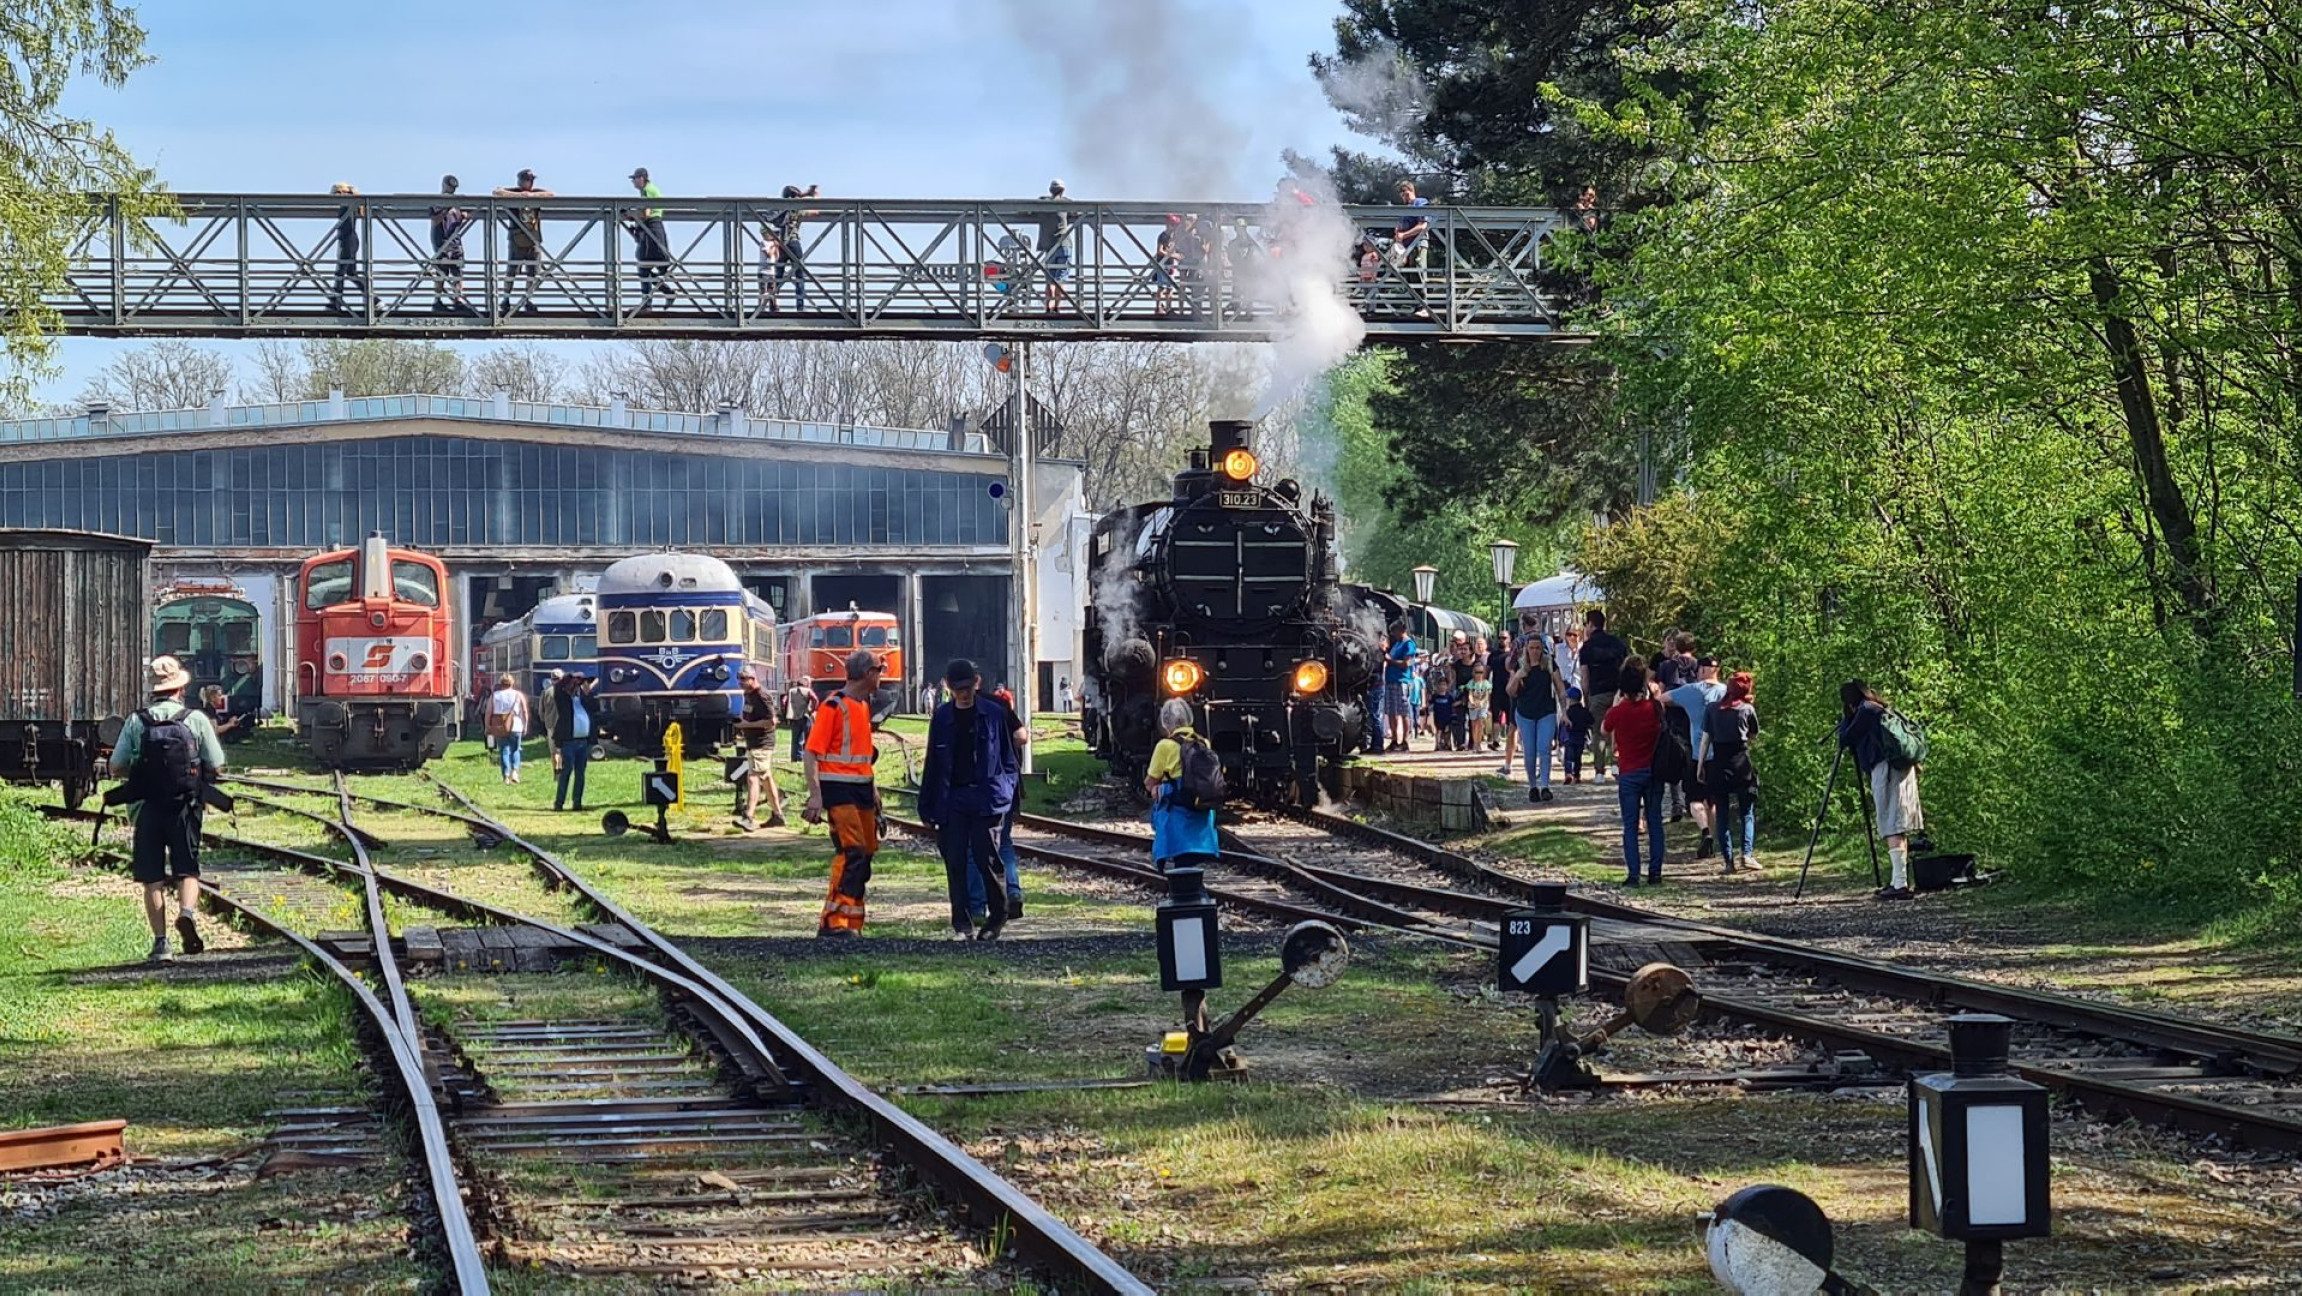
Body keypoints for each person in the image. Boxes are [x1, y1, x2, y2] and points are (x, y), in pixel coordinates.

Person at [110, 656, 226, 962]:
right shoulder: (196, 719)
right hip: (185, 807)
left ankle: (161, 944)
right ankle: (186, 913)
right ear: (180, 688)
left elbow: (116, 765)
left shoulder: (137, 720)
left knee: (152, 878)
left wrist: (141, 771)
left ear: (154, 688)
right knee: (188, 870)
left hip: (146, 808)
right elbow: (217, 763)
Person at [918, 659, 1017, 941]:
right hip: (953, 799)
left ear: (977, 683)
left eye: (968, 687)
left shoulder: (994, 713)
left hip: (987, 797)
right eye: (959, 688)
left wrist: (1006, 790)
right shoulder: (942, 717)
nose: (965, 693)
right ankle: (961, 923)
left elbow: (1008, 758)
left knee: (988, 860)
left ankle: (997, 916)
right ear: (949, 687)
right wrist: (927, 804)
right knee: (956, 861)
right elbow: (933, 763)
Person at [804, 649, 885, 937]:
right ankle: (834, 922)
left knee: (866, 854)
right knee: (853, 853)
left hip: (861, 789)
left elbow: (862, 757)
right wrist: (816, 796)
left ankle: (852, 923)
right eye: (879, 669)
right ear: (867, 673)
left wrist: (873, 792)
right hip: (839, 790)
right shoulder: (833, 706)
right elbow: (811, 752)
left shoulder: (861, 706)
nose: (882, 675)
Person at [1838, 680, 1924, 900]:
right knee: (1897, 822)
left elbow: (1846, 738)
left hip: (1886, 769)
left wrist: (1847, 718)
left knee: (1891, 823)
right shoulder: (1879, 707)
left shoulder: (1865, 711)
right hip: (1901, 768)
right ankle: (1898, 880)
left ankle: (1900, 884)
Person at [1601, 660, 1666, 885]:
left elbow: (1603, 729)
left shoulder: (1617, 712)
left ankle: (1633, 874)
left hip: (1629, 772)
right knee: (1655, 821)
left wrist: (1618, 702)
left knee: (1630, 825)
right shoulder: (1655, 709)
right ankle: (1655, 873)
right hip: (1653, 770)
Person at [1145, 698, 1218, 870]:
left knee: (1160, 798)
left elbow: (1150, 781)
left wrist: (1154, 788)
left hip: (1177, 809)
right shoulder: (1203, 742)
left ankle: (1163, 861)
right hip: (1200, 807)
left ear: (1165, 722)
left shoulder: (1165, 745)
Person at [1699, 671, 1761, 872]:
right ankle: (1747, 855)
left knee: (1722, 814)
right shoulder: (1747, 709)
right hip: (1741, 764)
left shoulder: (1712, 709)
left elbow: (1706, 739)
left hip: (1719, 764)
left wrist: (1700, 765)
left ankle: (1728, 861)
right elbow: (1753, 735)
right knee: (1746, 812)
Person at [1666, 655, 1726, 857]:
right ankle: (1714, 840)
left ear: (1700, 670)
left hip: (1696, 753)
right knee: (1714, 800)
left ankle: (1705, 831)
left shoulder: (1690, 690)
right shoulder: (1726, 692)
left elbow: (1662, 699)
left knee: (1694, 799)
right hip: (1719, 754)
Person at [1508, 634, 1565, 802]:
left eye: (1538, 648)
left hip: (1546, 711)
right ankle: (1533, 786)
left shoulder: (1548, 663)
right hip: (1525, 713)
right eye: (1531, 648)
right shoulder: (1519, 664)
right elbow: (1510, 691)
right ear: (1526, 649)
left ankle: (1545, 786)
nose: (1535, 651)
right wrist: (1518, 676)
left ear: (1542, 649)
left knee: (1544, 749)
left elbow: (1559, 687)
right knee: (1530, 752)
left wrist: (1565, 711)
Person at [732, 668, 788, 831]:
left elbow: (771, 722)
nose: (740, 682)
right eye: (739, 679)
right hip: (753, 742)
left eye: (744, 679)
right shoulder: (748, 694)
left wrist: (746, 725)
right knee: (766, 778)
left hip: (763, 743)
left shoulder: (762, 695)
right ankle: (778, 815)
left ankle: (748, 816)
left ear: (753, 678)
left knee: (753, 777)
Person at [494, 169, 554, 315]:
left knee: (533, 273)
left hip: (533, 239)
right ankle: (506, 299)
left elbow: (551, 194)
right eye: (528, 179)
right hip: (517, 239)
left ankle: (527, 299)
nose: (530, 182)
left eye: (531, 179)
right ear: (520, 180)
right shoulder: (514, 192)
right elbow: (497, 192)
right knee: (511, 271)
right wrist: (519, 196)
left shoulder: (536, 193)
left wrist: (531, 196)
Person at [1578, 609, 1629, 777]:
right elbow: (1626, 669)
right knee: (1619, 730)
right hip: (1619, 693)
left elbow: (1585, 677)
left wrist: (1586, 698)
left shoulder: (1587, 648)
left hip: (1597, 693)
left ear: (1591, 625)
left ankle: (1599, 771)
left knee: (1599, 732)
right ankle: (1616, 764)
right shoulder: (1618, 643)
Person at [759, 183, 819, 313]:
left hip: (782, 245)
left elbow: (767, 216)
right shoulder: (797, 211)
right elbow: (816, 212)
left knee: (778, 276)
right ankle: (800, 307)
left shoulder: (780, 210)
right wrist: (813, 196)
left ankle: (772, 304)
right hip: (794, 244)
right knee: (799, 276)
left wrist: (803, 194)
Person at [626, 167, 675, 310]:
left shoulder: (648, 190)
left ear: (641, 178)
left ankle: (648, 303)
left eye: (634, 179)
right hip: (653, 231)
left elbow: (646, 214)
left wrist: (631, 215)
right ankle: (665, 293)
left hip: (651, 231)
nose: (633, 182)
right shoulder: (649, 190)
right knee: (645, 268)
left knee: (643, 268)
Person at [549, 671, 596, 811]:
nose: (576, 687)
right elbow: (558, 686)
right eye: (574, 684)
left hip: (583, 741)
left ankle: (577, 802)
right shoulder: (562, 698)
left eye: (578, 684)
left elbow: (595, 703)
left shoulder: (585, 699)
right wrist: (570, 677)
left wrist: (585, 684)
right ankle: (559, 803)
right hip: (569, 741)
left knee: (580, 773)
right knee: (567, 770)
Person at [427, 175, 472, 314]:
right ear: (444, 185)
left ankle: (458, 299)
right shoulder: (436, 202)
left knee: (457, 272)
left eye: (453, 188)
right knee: (442, 272)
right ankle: (437, 301)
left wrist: (466, 215)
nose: (451, 190)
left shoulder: (456, 204)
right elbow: (435, 220)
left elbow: (465, 216)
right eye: (450, 186)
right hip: (442, 241)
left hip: (455, 242)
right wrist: (446, 208)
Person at [327, 182, 366, 314]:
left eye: (335, 194)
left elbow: (346, 227)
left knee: (340, 273)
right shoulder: (352, 205)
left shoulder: (347, 206)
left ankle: (335, 303)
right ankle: (375, 300)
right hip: (351, 241)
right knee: (351, 273)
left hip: (348, 241)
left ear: (342, 193)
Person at [1037, 179, 1074, 313]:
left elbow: (1031, 210)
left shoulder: (1042, 204)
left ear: (1050, 190)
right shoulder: (1066, 204)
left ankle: (1048, 306)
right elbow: (1077, 213)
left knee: (1049, 280)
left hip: (1049, 248)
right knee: (1061, 279)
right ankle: (1058, 307)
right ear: (1063, 190)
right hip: (1064, 245)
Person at [486, 673, 528, 784]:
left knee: (504, 750)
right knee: (515, 749)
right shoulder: (518, 695)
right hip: (516, 726)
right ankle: (514, 771)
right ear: (512, 683)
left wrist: (487, 726)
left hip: (500, 726)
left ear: (501, 683)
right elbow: (524, 711)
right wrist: (525, 724)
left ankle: (505, 776)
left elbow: (488, 712)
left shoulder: (495, 695)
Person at [1381, 620, 1414, 752]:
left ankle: (1405, 740)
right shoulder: (1397, 644)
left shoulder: (1408, 644)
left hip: (1401, 681)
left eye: (1395, 631)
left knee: (1403, 711)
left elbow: (1406, 663)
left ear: (1401, 630)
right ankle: (1394, 740)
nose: (1393, 634)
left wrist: (1390, 660)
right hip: (1390, 680)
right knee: (1391, 712)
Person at [1487, 629, 1516, 768]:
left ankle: (1512, 743)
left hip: (1510, 690)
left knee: (1512, 719)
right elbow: (1487, 671)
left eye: (1504, 637)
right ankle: (1496, 740)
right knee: (1496, 717)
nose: (1502, 640)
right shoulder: (1493, 655)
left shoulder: (1512, 654)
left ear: (1509, 639)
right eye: (1500, 637)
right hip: (1497, 689)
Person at [1560, 686, 1593, 783]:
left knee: (1568, 757)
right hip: (1581, 738)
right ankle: (1577, 775)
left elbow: (1562, 725)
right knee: (1578, 758)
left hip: (1569, 738)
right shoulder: (1584, 711)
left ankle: (1568, 773)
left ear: (1570, 700)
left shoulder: (1568, 712)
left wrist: (1559, 739)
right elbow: (1591, 721)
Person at [783, 674, 815, 762]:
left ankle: (794, 757)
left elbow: (783, 701)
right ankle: (805, 756)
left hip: (794, 717)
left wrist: (786, 712)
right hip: (805, 716)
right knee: (808, 737)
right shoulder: (808, 691)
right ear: (806, 684)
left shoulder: (791, 691)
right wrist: (812, 710)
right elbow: (815, 699)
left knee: (795, 738)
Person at [1465, 663, 1493, 750]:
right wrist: (1473, 702)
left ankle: (1478, 743)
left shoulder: (1486, 683)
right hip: (1473, 706)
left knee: (1480, 723)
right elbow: (1470, 694)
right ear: (1473, 673)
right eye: (1477, 672)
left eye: (1481, 672)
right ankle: (1475, 743)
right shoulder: (1471, 683)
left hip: (1483, 706)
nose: (1479, 674)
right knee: (1473, 725)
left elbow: (1487, 695)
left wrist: (1481, 702)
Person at [1429, 669, 1458, 752]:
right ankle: (1437, 745)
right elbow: (1430, 705)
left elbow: (1453, 704)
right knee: (1439, 731)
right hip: (1438, 716)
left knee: (1448, 731)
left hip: (1447, 716)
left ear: (1447, 686)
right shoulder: (1435, 696)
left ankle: (1448, 744)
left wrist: (1460, 702)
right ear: (1438, 685)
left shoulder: (1449, 696)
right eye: (1441, 684)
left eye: (1444, 684)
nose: (1442, 686)